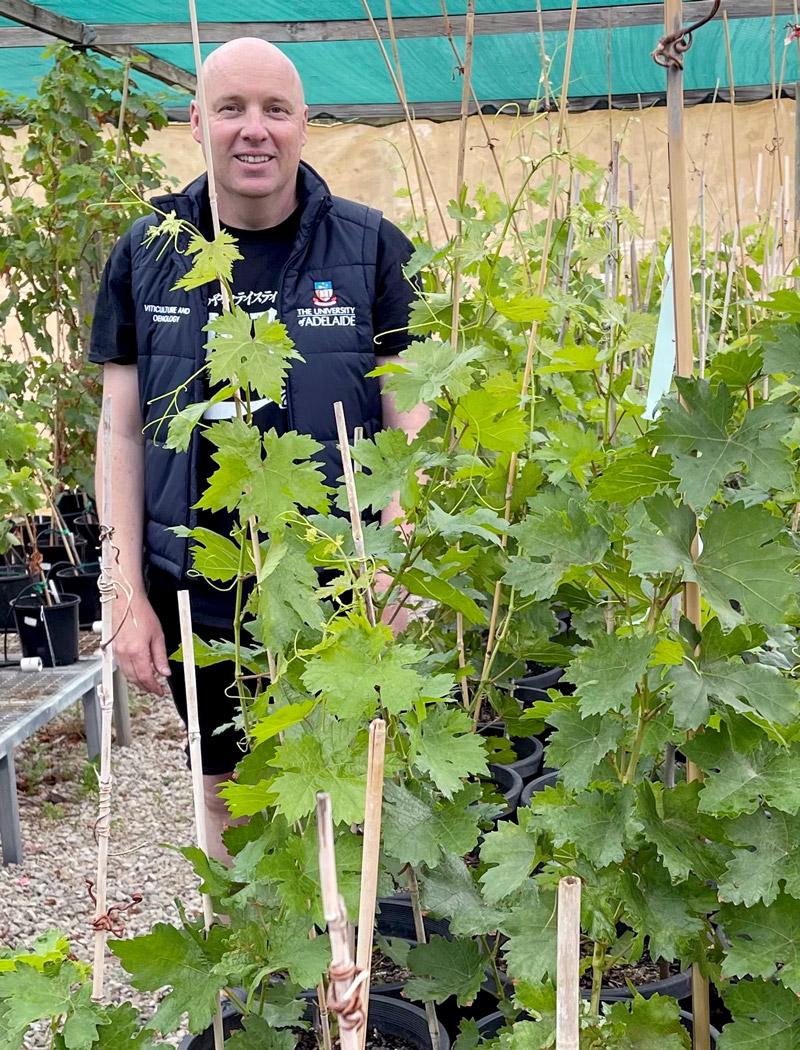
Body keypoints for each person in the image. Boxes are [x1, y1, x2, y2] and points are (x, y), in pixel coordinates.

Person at [90, 38, 427, 862]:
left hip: (341, 578)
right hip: (201, 589)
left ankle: (331, 970)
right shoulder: (148, 252)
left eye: (275, 110)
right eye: (232, 108)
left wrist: (399, 550)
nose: (254, 130)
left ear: (304, 125)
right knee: (225, 792)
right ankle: (251, 974)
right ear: (196, 120)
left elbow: (410, 415)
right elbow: (119, 430)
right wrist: (121, 587)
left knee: (341, 784)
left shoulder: (372, 247)